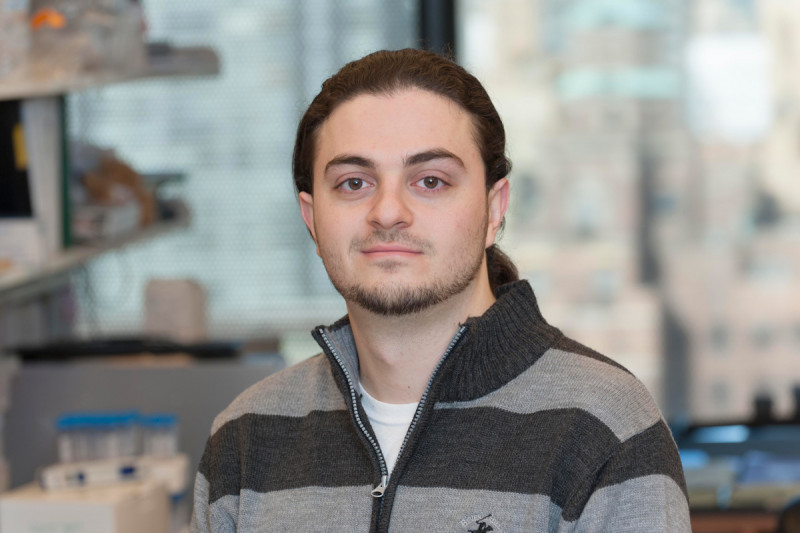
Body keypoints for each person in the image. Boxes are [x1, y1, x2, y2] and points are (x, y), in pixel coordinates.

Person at [191, 48, 690, 532]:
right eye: (353, 183)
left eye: (430, 181)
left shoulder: (605, 430)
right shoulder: (245, 440)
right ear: (312, 219)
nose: (388, 212)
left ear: (494, 209)